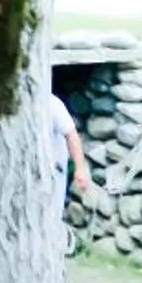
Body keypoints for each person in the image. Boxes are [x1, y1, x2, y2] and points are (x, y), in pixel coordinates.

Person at [49, 90, 92, 228]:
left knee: (52, 213)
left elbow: (71, 134)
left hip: (54, 171)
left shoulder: (52, 104)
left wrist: (80, 168)